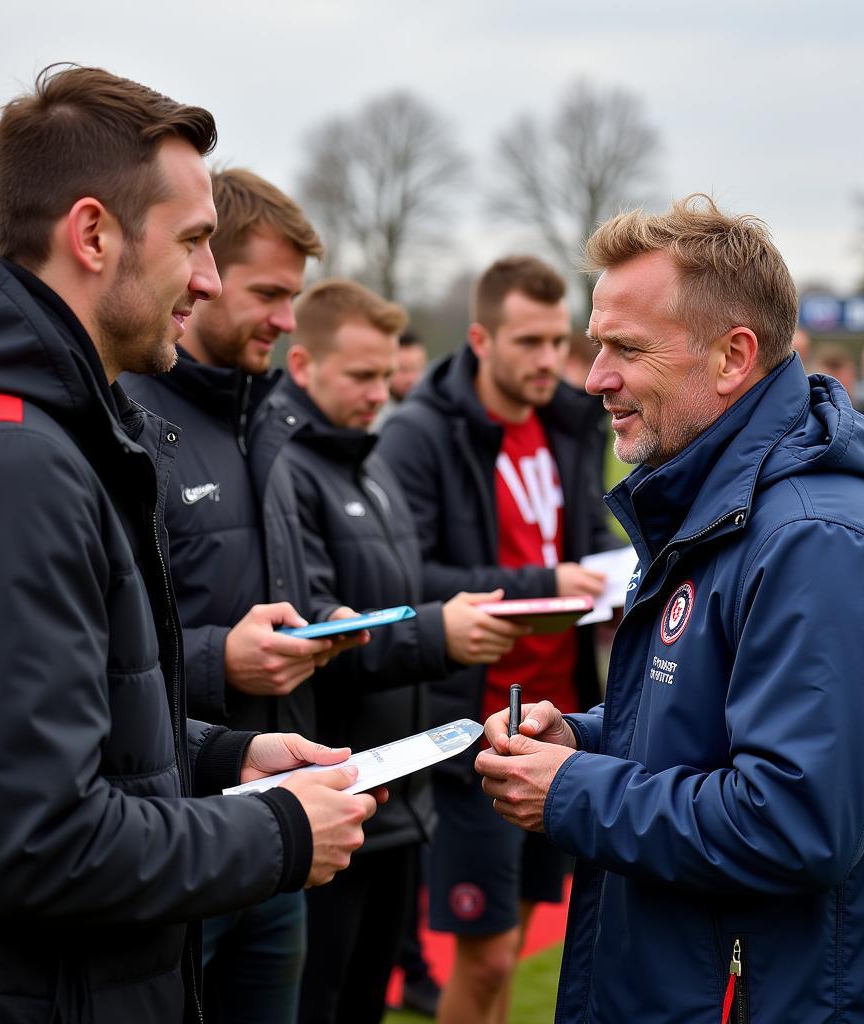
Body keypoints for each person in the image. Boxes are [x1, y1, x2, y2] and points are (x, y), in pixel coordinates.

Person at [0, 66, 378, 1024]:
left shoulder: (48, 431)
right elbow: (38, 842)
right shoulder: (15, 460)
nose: (210, 280)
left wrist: (224, 758)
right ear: (93, 235)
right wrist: (277, 832)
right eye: (193, 242)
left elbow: (46, 736)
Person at [475, 195, 864, 1022]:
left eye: (626, 348)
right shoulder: (723, 500)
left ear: (733, 358)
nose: (594, 378)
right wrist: (583, 737)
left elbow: (794, 819)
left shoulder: (818, 542)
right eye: (596, 345)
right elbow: (714, 721)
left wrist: (573, 790)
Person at [121, 168, 367, 1023]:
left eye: (294, 295)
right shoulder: (124, 417)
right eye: (268, 291)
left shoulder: (269, 420)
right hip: (171, 835)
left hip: (277, 812)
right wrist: (218, 658)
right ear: (206, 271)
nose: (287, 318)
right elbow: (94, 645)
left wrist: (321, 617)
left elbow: (266, 587)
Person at [272, 278, 525, 1023]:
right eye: (359, 375)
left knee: (366, 1005)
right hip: (333, 792)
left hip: (400, 795)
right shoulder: (288, 473)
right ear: (302, 367)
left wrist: (435, 623)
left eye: (386, 375)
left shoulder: (375, 467)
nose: (379, 393)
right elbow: (314, 634)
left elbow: (397, 602)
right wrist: (436, 633)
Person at [377, 255, 614, 1024]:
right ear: (480, 338)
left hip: (563, 721)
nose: (550, 359)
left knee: (510, 947)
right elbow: (406, 579)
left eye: (557, 340)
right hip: (474, 728)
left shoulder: (572, 424)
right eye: (528, 342)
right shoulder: (419, 435)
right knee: (480, 960)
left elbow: (582, 550)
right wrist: (548, 583)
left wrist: (612, 591)